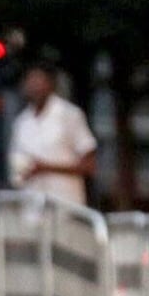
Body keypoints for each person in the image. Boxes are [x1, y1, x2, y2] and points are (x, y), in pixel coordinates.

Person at [8, 61, 98, 206]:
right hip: (32, 209)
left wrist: (46, 168)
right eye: (30, 81)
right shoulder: (21, 122)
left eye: (39, 81)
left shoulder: (69, 115)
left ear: (51, 84)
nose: (34, 87)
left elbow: (89, 166)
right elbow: (16, 165)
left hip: (65, 206)